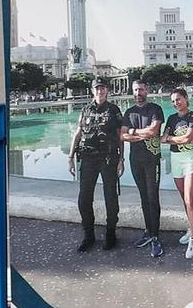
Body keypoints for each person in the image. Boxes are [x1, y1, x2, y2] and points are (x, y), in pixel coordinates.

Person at [68, 78, 123, 251]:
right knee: (84, 199)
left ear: (107, 91)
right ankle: (88, 236)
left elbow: (120, 135)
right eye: (97, 88)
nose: (100, 91)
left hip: (108, 159)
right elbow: (78, 132)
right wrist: (70, 157)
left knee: (111, 198)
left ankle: (110, 234)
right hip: (87, 159)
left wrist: (121, 159)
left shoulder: (114, 110)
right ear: (93, 91)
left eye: (103, 88)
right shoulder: (85, 110)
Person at [121, 78, 167, 258]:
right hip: (136, 160)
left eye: (140, 89)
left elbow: (153, 132)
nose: (138, 93)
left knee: (152, 196)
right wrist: (138, 133)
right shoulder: (129, 112)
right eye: (135, 90)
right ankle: (148, 231)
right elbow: (122, 135)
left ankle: (156, 236)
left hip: (151, 160)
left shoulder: (155, 109)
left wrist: (132, 132)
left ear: (146, 90)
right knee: (143, 197)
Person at [162, 87, 193, 259]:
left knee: (190, 199)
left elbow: (189, 138)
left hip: (190, 159)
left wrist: (171, 139)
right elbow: (162, 138)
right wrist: (169, 139)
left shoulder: (192, 117)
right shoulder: (171, 118)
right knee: (183, 198)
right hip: (176, 159)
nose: (176, 103)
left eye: (179, 99)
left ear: (186, 99)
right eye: (173, 101)